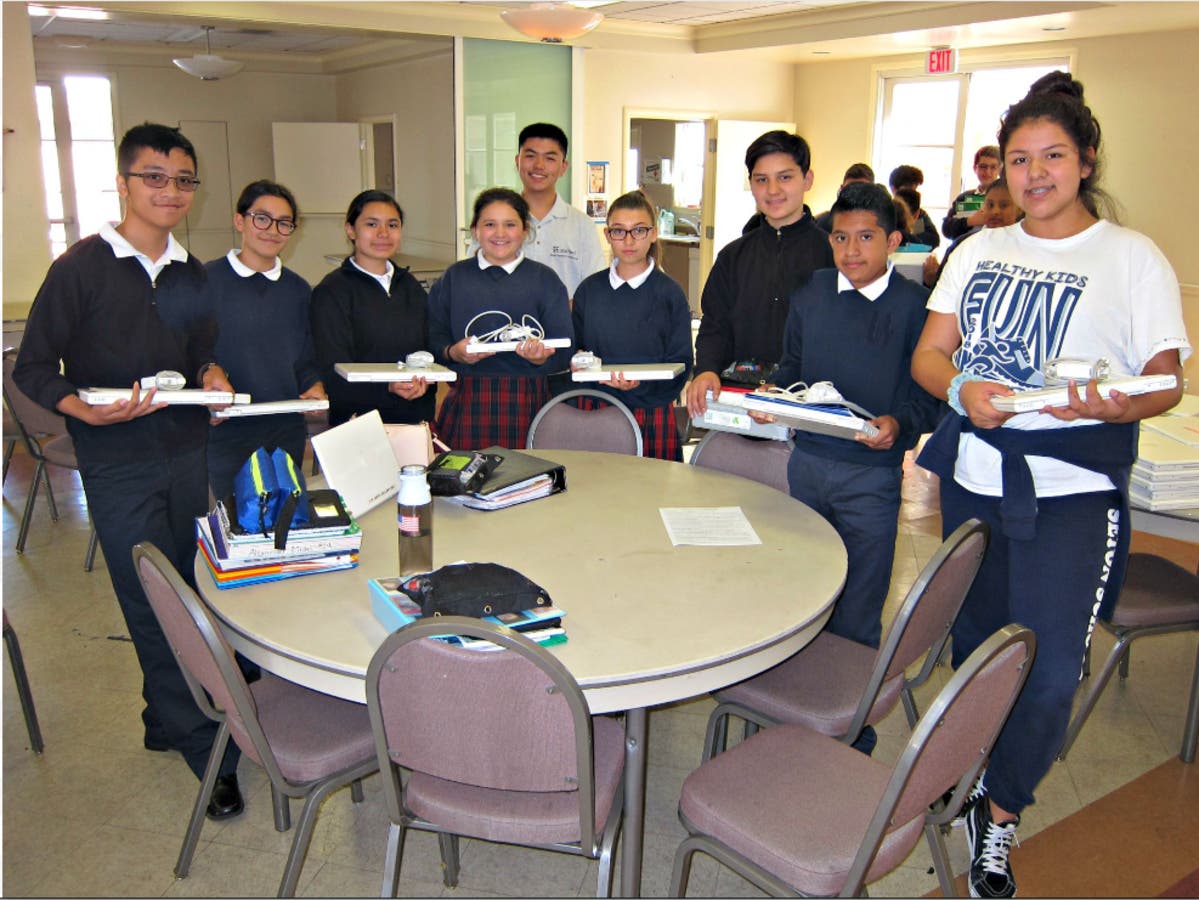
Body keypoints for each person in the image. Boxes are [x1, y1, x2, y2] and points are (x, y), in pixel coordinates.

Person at [910, 72, 1190, 899]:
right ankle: (965, 776)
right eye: (1019, 160)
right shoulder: (978, 250)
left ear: (1086, 159)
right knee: (975, 649)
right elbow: (929, 356)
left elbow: (1164, 379)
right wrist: (961, 389)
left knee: (1049, 666)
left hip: (1069, 493)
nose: (1034, 174)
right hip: (974, 480)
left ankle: (1000, 813)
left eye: (1053, 156)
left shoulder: (1129, 258)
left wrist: (1119, 401)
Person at [13, 122, 246, 819]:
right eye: (154, 177)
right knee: (152, 601)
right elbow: (32, 367)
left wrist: (212, 374)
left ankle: (161, 719)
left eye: (183, 180)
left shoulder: (191, 272)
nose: (170, 192)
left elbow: (201, 352)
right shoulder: (80, 268)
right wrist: (81, 411)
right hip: (116, 462)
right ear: (123, 183)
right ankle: (208, 750)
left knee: (194, 588)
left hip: (185, 452)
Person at [752, 182, 939, 718]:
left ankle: (850, 721)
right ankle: (791, 706)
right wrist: (774, 396)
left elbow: (929, 398)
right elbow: (793, 367)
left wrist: (899, 423)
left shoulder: (915, 308)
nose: (851, 250)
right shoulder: (812, 292)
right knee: (802, 585)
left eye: (866, 237)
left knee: (859, 600)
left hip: (871, 475)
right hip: (807, 464)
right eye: (839, 238)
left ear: (894, 241)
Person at [686, 130, 834, 419]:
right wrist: (706, 369)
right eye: (761, 180)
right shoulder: (732, 257)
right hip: (739, 399)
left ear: (807, 179)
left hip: (806, 403)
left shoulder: (831, 255)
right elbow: (715, 325)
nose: (773, 190)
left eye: (785, 177)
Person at [206, 180, 325, 500]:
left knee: (285, 514)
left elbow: (305, 357)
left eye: (284, 223)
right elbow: (191, 352)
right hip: (228, 429)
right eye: (262, 218)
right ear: (239, 220)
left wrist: (313, 385)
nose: (273, 230)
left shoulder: (298, 289)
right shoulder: (206, 280)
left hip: (285, 428)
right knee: (239, 516)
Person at [430, 187, 573, 449]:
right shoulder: (454, 278)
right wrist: (453, 352)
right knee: (465, 473)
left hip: (529, 398)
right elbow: (433, 336)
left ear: (525, 230)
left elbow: (565, 348)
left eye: (510, 224)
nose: (500, 233)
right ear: (475, 230)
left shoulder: (546, 280)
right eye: (489, 224)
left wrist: (542, 357)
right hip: (468, 398)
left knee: (531, 472)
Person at [571, 190, 693, 460]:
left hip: (651, 411)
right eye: (619, 231)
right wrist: (576, 361)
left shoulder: (670, 293)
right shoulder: (589, 291)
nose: (628, 240)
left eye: (638, 230)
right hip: (597, 409)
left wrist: (639, 387)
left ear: (653, 234)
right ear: (607, 235)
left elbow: (682, 363)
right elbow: (574, 351)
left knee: (653, 485)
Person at [310, 190, 433, 428]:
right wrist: (387, 387)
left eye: (392, 225)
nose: (383, 233)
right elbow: (331, 370)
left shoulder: (409, 286)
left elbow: (428, 350)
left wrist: (425, 383)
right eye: (372, 224)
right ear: (350, 230)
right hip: (358, 425)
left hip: (413, 420)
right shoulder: (332, 291)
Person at [468, 122, 606, 297]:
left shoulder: (582, 225)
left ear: (563, 167)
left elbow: (594, 288)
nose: (539, 165)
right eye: (530, 156)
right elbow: (471, 277)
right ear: (517, 161)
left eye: (550, 158)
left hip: (563, 315)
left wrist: (556, 309)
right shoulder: (495, 221)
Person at [921, 177, 1020, 289]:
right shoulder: (963, 244)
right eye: (990, 205)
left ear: (1020, 209)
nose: (995, 211)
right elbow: (941, 289)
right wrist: (932, 281)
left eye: (1004, 205)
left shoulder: (1026, 247)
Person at [941, 144, 1002, 240]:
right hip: (965, 246)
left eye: (993, 167)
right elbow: (947, 229)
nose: (988, 172)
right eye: (983, 166)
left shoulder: (1007, 198)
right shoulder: (964, 197)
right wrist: (970, 221)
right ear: (975, 168)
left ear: (999, 169)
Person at [812, 162, 876, 233]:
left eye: (862, 192)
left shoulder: (880, 225)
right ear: (842, 189)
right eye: (850, 190)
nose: (856, 197)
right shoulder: (822, 224)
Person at [888, 165, 940, 249]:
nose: (912, 195)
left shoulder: (918, 213)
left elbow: (933, 240)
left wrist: (913, 223)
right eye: (906, 191)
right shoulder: (883, 210)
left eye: (914, 190)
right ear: (893, 189)